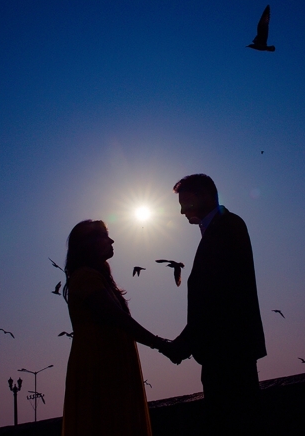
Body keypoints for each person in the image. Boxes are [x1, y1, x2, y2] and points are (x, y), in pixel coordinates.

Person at [163, 174, 267, 432]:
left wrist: (186, 340)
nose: (180, 211)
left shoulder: (227, 226)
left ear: (203, 196)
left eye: (184, 203)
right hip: (224, 350)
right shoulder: (220, 228)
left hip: (228, 351)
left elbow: (219, 295)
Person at [61, 220, 168, 436]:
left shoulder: (97, 278)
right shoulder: (85, 277)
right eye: (103, 235)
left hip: (110, 365)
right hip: (100, 370)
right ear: (87, 244)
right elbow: (118, 318)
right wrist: (160, 344)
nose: (111, 240)